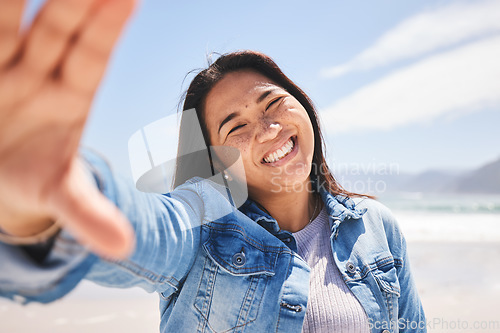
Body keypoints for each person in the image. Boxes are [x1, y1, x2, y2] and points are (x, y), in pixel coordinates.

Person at [0, 1, 426, 332]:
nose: (267, 129)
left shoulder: (374, 226)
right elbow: (148, 229)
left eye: (273, 103)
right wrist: (37, 209)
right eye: (235, 127)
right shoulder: (203, 228)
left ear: (302, 104)